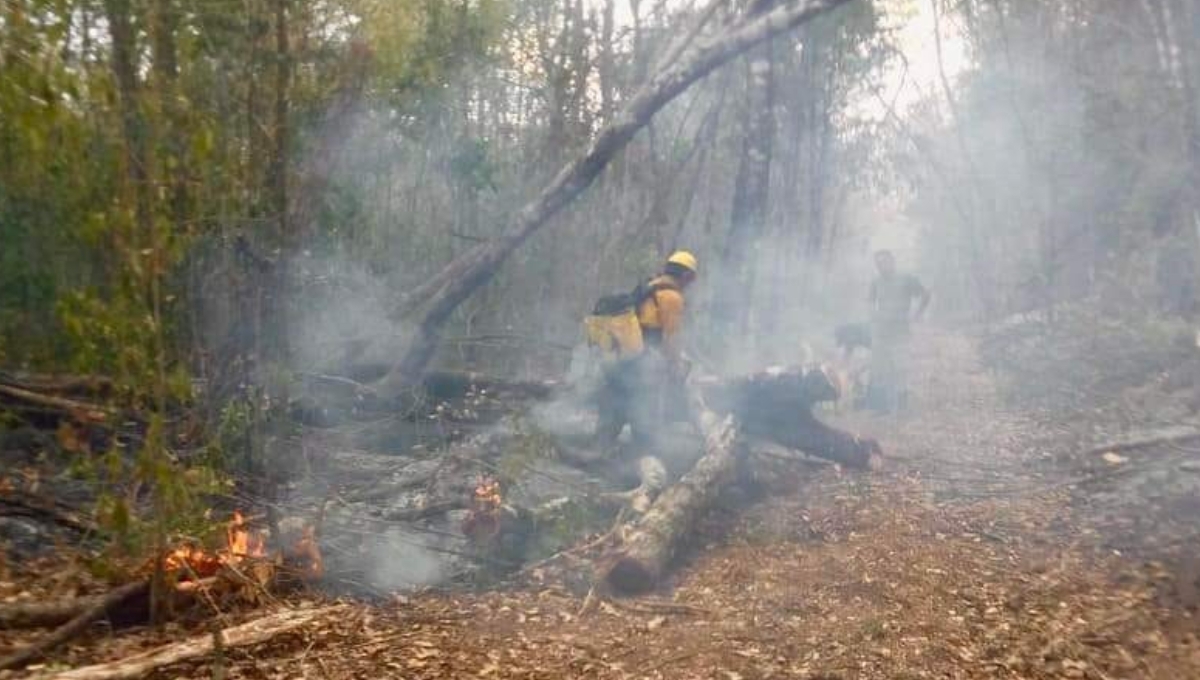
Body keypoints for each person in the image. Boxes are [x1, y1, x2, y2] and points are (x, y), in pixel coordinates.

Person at [592, 250, 698, 454]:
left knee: (617, 398)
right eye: (691, 279)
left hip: (624, 356)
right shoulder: (672, 297)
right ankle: (643, 456)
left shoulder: (649, 286)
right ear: (686, 276)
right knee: (646, 406)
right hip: (646, 360)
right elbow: (671, 337)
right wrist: (675, 367)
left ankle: (599, 447)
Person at [866, 249, 930, 413]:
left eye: (884, 262)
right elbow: (870, 301)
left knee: (900, 369)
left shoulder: (906, 279)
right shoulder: (876, 282)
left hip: (900, 331)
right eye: (878, 263)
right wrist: (873, 315)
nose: (881, 266)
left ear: (892, 262)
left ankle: (902, 408)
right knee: (880, 369)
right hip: (881, 332)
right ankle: (882, 408)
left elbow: (925, 294)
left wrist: (917, 314)